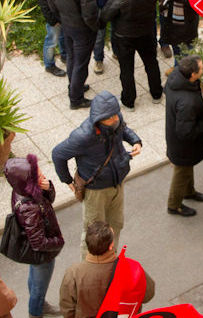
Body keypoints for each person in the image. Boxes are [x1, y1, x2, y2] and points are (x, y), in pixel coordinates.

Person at [52, 91, 142, 249]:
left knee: (116, 224)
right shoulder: (83, 136)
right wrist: (67, 181)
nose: (115, 118)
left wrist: (136, 141)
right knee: (93, 235)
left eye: (116, 114)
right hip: (96, 190)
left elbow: (124, 129)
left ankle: (110, 259)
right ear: (98, 118)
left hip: (117, 182)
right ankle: (91, 269)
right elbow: (58, 154)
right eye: (110, 117)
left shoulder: (115, 119)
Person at [59, 221, 155, 318]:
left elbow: (68, 311)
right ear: (111, 246)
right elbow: (148, 294)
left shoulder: (73, 274)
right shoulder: (131, 268)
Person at [6, 154, 65, 318]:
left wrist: (49, 188)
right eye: (37, 175)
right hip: (42, 254)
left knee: (35, 282)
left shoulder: (22, 191)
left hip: (36, 253)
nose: (42, 177)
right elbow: (39, 242)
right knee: (39, 287)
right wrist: (58, 242)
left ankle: (41, 305)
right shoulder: (29, 207)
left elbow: (48, 201)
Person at [99, 0, 162, 109]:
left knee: (127, 69)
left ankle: (129, 100)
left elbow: (106, 15)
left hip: (125, 37)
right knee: (151, 63)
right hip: (147, 32)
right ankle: (157, 93)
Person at [48, 0, 99, 109]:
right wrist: (96, 27)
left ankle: (74, 86)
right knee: (81, 64)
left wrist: (61, 18)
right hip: (82, 30)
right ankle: (76, 99)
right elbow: (89, 14)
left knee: (71, 58)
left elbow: (51, 2)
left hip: (67, 25)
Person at [164, 55, 203, 217]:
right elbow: (186, 132)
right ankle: (174, 205)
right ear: (193, 75)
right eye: (201, 68)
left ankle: (189, 191)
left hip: (175, 139)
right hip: (182, 145)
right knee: (181, 172)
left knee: (186, 168)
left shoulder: (175, 78)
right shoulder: (187, 102)